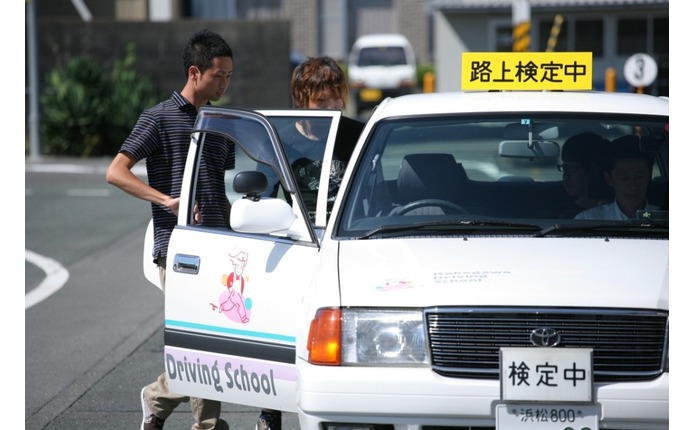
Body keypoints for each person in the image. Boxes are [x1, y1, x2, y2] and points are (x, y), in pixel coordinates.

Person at [105, 29, 235, 430]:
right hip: (178, 249)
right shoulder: (158, 118)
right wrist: (165, 201)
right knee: (203, 339)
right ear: (194, 73)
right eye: (219, 76)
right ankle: (207, 425)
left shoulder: (221, 121)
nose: (225, 83)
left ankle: (158, 397)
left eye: (230, 76)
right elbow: (116, 172)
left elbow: (219, 184)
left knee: (212, 342)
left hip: (218, 246)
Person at [255, 56, 365, 430]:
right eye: (322, 100)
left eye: (336, 96)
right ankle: (271, 411)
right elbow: (264, 197)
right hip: (294, 246)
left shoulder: (356, 135)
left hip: (345, 247)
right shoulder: (280, 140)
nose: (332, 105)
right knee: (284, 331)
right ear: (303, 100)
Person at [574, 134, 659, 221]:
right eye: (624, 178)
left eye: (639, 177)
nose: (633, 185)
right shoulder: (588, 220)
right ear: (608, 178)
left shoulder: (665, 219)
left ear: (649, 176)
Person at [557, 132, 609, 218]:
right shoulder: (560, 212)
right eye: (564, 168)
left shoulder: (618, 210)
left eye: (572, 168)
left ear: (594, 171)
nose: (566, 175)